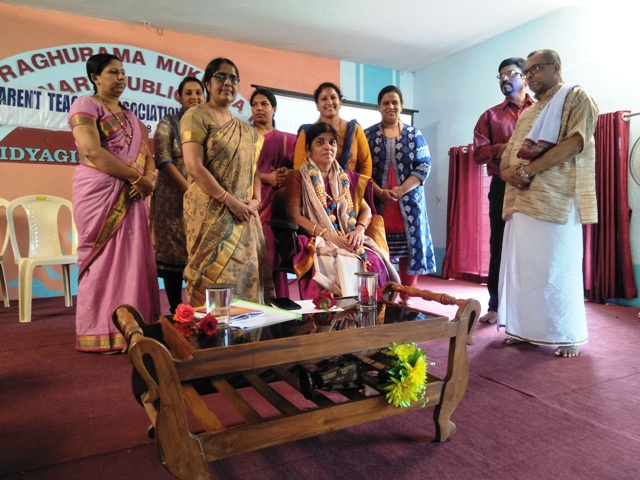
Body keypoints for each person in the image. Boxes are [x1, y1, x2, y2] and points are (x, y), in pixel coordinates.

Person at [498, 49, 598, 357]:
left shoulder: (577, 97)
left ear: (556, 67)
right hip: (521, 199)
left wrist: (528, 170)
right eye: (527, 71)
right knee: (526, 272)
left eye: (535, 69)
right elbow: (508, 154)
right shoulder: (529, 112)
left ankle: (567, 334)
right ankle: (526, 330)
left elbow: (576, 142)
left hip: (557, 199)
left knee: (557, 270)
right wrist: (507, 173)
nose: (529, 76)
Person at [68, 53, 160, 353]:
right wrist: (137, 178)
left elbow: (148, 156)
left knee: (133, 259)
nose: (120, 78)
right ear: (95, 77)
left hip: (134, 194)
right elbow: (92, 151)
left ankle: (137, 329)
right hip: (99, 194)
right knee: (102, 260)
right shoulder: (86, 104)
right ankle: (100, 330)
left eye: (123, 72)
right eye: (112, 72)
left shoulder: (133, 118)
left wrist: (148, 179)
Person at [180, 57, 274, 306]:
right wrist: (229, 201)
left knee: (245, 279)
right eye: (221, 76)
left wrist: (256, 201)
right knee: (213, 279)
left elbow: (254, 170)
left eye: (233, 78)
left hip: (244, 214)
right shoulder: (196, 116)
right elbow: (194, 166)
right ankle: (212, 328)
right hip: (211, 212)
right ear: (207, 83)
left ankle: (245, 330)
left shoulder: (247, 130)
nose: (228, 82)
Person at [286, 122, 400, 298]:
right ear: (308, 149)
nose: (328, 147)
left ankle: (369, 310)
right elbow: (294, 215)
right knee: (333, 262)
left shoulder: (346, 177)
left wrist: (359, 230)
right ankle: (337, 312)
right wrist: (329, 236)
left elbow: (366, 210)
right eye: (320, 142)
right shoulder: (299, 177)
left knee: (373, 260)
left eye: (332, 142)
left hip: (350, 236)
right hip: (318, 238)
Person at [473, 58, 534, 324]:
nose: (504, 79)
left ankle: (530, 308)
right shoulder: (490, 116)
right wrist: (508, 148)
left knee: (532, 244)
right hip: (502, 186)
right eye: (500, 76)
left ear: (525, 76)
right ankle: (496, 306)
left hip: (536, 185)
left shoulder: (541, 110)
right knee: (499, 244)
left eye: (510, 73)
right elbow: (478, 154)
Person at [364, 86, 435, 305]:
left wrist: (402, 190)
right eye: (386, 103)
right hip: (378, 204)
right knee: (378, 251)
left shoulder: (415, 135)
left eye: (395, 102)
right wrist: (379, 192)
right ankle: (383, 295)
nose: (390, 106)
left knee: (408, 251)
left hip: (410, 205)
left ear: (401, 106)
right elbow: (362, 170)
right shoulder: (367, 135)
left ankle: (407, 296)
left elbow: (424, 166)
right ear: (379, 107)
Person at [152, 76, 204, 314]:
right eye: (189, 93)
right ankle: (176, 310)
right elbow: (163, 160)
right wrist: (190, 191)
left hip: (203, 199)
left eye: (198, 93)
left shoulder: (207, 123)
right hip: (172, 201)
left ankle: (201, 309)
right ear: (179, 97)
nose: (194, 97)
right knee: (173, 256)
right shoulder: (168, 123)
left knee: (201, 253)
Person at [249, 88, 296, 273]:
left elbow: (303, 170)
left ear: (274, 109)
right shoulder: (243, 137)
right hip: (249, 203)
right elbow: (236, 170)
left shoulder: (287, 140)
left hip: (275, 206)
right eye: (254, 105)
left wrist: (289, 173)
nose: (259, 108)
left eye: (264, 104)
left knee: (271, 255)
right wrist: (267, 177)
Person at [293, 82, 372, 176]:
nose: (329, 102)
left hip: (350, 184)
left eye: (333, 97)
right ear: (317, 106)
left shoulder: (354, 130)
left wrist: (360, 185)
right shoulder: (307, 132)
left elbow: (366, 166)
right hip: (314, 184)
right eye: (324, 98)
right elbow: (299, 167)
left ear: (340, 103)